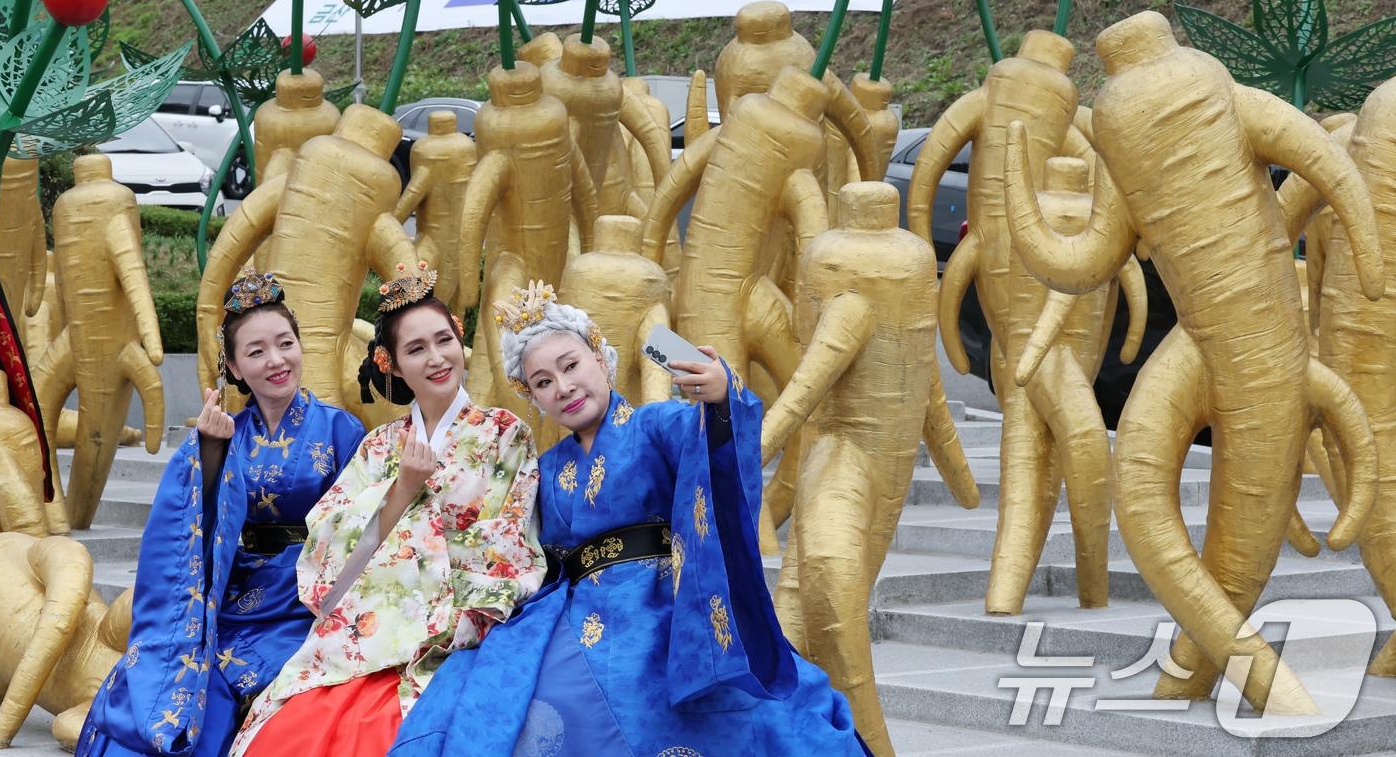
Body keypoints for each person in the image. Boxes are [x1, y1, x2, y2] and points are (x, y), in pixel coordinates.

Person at [389, 281, 866, 756]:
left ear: (600, 356)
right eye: (543, 383)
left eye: (571, 365)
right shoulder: (545, 466)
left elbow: (713, 438)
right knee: (511, 694)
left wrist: (721, 395)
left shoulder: (654, 424)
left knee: (750, 711)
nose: (564, 387)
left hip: (663, 601)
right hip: (573, 609)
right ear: (533, 399)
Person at [229, 263, 544, 757]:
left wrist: (430, 593)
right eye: (416, 349)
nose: (437, 358)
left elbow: (508, 545)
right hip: (368, 624)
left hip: (456, 622)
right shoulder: (379, 446)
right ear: (391, 363)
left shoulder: (505, 434)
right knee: (288, 733)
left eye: (444, 340)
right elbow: (328, 562)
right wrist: (402, 490)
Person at [77, 269, 366, 757]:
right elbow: (189, 523)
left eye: (285, 343)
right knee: (172, 679)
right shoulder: (226, 429)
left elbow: (360, 528)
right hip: (229, 594)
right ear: (233, 367)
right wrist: (209, 451)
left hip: (305, 597)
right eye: (256, 352)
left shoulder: (343, 430)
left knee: (237, 690)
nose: (276, 361)